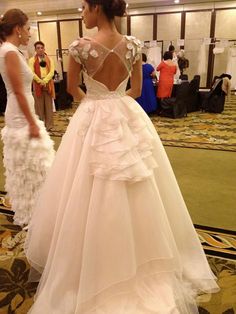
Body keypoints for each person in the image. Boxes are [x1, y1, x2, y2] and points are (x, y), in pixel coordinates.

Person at [25, 0, 219, 313]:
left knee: (84, 184)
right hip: (126, 112)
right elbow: (136, 88)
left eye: (84, 8)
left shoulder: (79, 47)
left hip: (93, 114)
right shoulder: (133, 45)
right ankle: (142, 254)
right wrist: (115, 105)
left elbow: (73, 89)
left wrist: (96, 106)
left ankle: (93, 260)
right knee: (140, 181)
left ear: (97, 8)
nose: (83, 14)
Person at [0, 9, 55, 227]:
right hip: (21, 117)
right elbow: (18, 91)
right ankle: (33, 215)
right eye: (28, 28)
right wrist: (33, 123)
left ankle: (37, 212)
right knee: (30, 166)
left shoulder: (11, 50)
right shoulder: (9, 52)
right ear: (17, 29)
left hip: (22, 114)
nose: (30, 33)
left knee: (32, 166)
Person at [28, 41, 55, 131]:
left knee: (48, 106)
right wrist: (40, 81)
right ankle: (41, 126)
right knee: (39, 107)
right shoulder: (32, 60)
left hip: (48, 84)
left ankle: (49, 126)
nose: (40, 49)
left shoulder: (49, 59)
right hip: (37, 84)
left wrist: (45, 81)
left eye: (41, 48)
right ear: (35, 50)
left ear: (44, 49)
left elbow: (52, 72)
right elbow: (31, 72)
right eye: (38, 48)